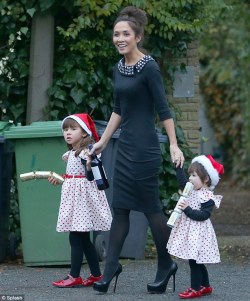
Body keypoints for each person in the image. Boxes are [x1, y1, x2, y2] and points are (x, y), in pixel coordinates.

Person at [90, 6, 184, 294]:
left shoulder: (150, 67)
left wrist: (173, 143)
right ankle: (109, 270)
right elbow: (119, 109)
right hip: (126, 146)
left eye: (125, 34)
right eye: (116, 34)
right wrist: (103, 141)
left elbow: (163, 109)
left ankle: (166, 264)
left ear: (138, 37)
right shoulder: (118, 68)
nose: (120, 38)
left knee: (152, 211)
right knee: (119, 209)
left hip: (145, 150)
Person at [49, 113, 112, 288]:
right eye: (65, 129)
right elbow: (73, 176)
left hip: (81, 202)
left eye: (73, 129)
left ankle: (74, 275)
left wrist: (89, 166)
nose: (68, 132)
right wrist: (61, 178)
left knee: (76, 238)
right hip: (75, 200)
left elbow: (92, 175)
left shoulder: (85, 152)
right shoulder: (72, 153)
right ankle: (96, 274)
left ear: (84, 133)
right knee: (82, 238)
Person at [167, 154, 224, 299]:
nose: (190, 179)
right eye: (190, 175)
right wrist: (179, 166)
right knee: (196, 260)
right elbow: (181, 181)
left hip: (199, 233)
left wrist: (187, 209)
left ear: (205, 179)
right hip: (190, 231)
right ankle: (205, 286)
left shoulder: (207, 197)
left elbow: (204, 215)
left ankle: (195, 288)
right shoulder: (192, 189)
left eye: (194, 175)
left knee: (194, 261)